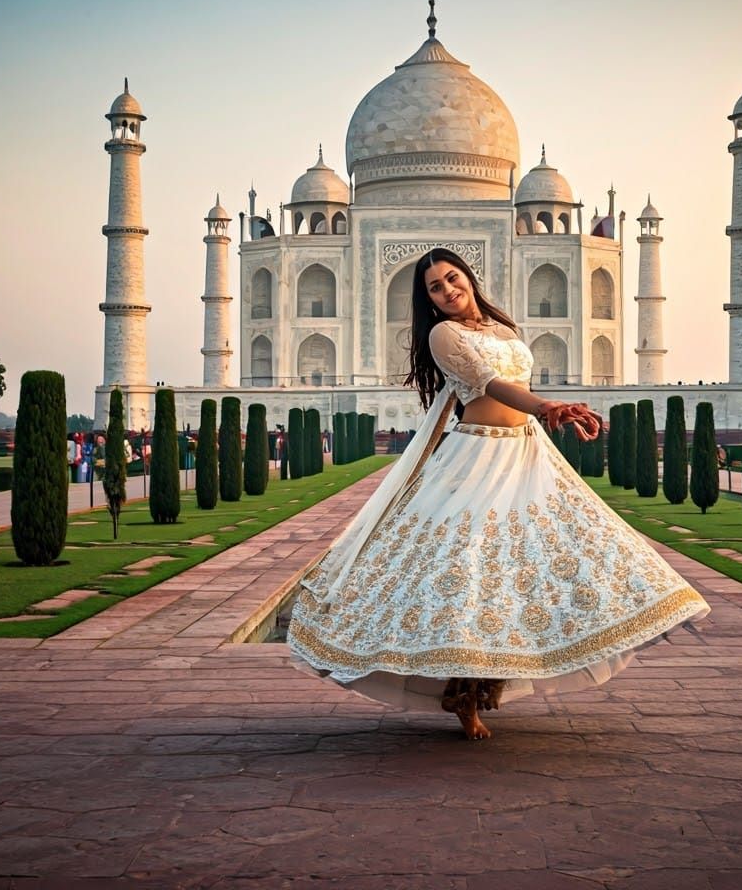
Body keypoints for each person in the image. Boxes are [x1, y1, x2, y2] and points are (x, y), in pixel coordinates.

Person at [287, 247, 709, 740]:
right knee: (471, 574)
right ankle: (465, 698)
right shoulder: (444, 335)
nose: (448, 290)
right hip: (476, 457)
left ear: (468, 276)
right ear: (428, 300)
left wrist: (554, 412)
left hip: (525, 452)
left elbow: (517, 382)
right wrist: (547, 405)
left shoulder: (503, 328)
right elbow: (491, 385)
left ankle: (496, 680)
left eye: (452, 278)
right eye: (435, 288)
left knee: (550, 559)